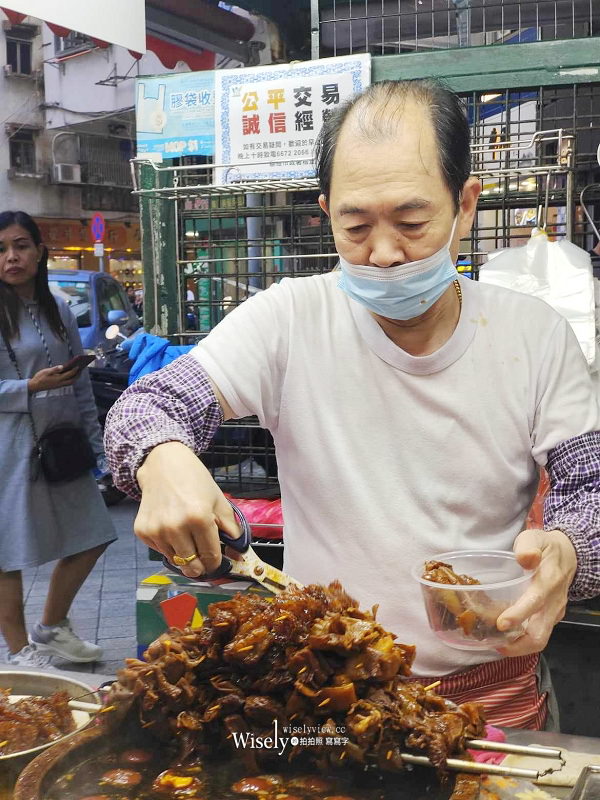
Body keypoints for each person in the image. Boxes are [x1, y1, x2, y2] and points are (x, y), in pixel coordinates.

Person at [104, 80, 600, 730]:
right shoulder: (290, 320)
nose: (386, 254)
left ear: (466, 204)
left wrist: (568, 551)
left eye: (413, 223)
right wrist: (162, 458)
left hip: (490, 699)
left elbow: (591, 483)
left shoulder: (532, 335)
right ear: (326, 211)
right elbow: (151, 404)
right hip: (327, 695)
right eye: (357, 226)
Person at [0, 211, 116, 667]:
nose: (12, 257)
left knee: (93, 533)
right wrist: (30, 387)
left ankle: (51, 627)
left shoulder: (58, 306)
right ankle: (18, 652)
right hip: (8, 450)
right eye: (2, 248)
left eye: (21, 245)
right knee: (7, 554)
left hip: (61, 446)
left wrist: (99, 446)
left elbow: (81, 385)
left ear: (39, 251)